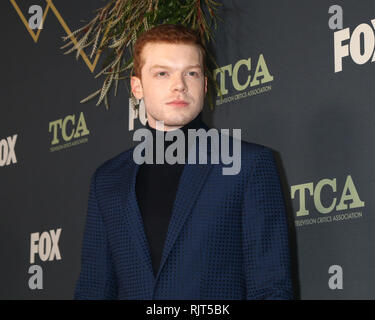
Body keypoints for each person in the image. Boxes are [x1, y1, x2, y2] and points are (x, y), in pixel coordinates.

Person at [74, 24, 293, 300]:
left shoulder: (249, 166)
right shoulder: (107, 179)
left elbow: (271, 289)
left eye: (191, 73)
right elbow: (93, 289)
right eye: (162, 73)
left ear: (203, 84)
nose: (179, 85)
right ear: (137, 87)